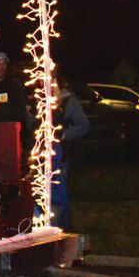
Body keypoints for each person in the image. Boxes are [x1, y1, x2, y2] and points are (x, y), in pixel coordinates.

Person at [51, 67, 90, 230]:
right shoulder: (38, 101)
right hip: (42, 155)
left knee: (58, 191)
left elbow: (84, 125)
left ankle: (62, 227)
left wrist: (66, 134)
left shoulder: (69, 101)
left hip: (60, 154)